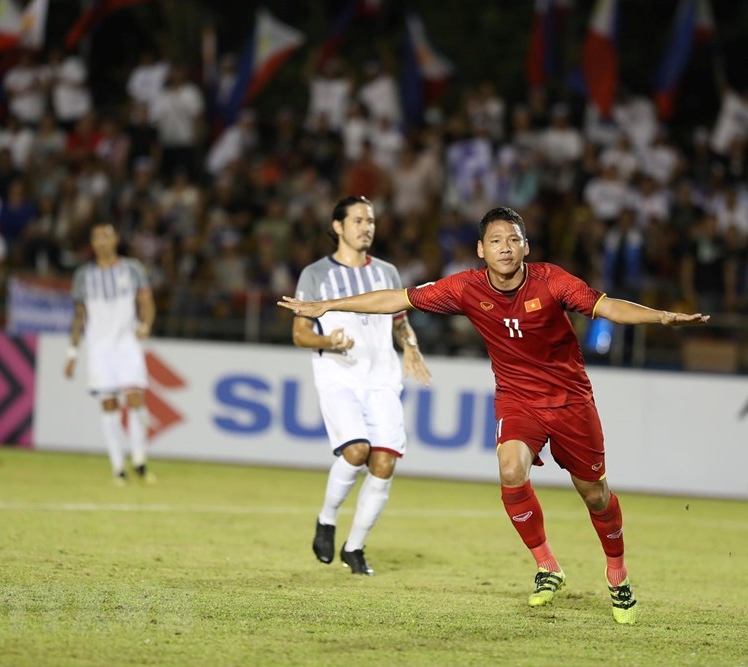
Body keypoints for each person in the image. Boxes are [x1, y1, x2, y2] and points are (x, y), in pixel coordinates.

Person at [279, 206, 708, 622]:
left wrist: (663, 317)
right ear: (481, 250)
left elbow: (607, 306)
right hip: (517, 400)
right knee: (509, 470)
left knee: (594, 493)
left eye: (513, 240)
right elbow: (397, 298)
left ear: (526, 247)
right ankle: (547, 567)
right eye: (495, 240)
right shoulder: (466, 288)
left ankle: (617, 573)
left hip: (571, 402)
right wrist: (328, 306)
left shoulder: (551, 281)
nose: (505, 247)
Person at [293, 196, 431, 576]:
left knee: (383, 463)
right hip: (338, 375)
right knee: (356, 451)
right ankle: (326, 518)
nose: (366, 226)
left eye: (369, 220)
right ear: (338, 227)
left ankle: (354, 548)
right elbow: (300, 333)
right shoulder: (316, 275)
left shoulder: (386, 271)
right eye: (357, 220)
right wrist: (328, 341)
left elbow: (400, 320)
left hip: (382, 378)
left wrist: (411, 346)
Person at [65, 221, 156, 485]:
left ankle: (139, 460)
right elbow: (79, 317)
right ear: (92, 244)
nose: (101, 241)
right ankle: (118, 466)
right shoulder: (83, 275)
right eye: (96, 238)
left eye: (106, 236)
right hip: (99, 347)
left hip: (126, 343)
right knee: (109, 404)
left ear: (116, 239)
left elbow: (146, 302)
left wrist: (145, 325)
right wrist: (72, 353)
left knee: (135, 398)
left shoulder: (133, 269)